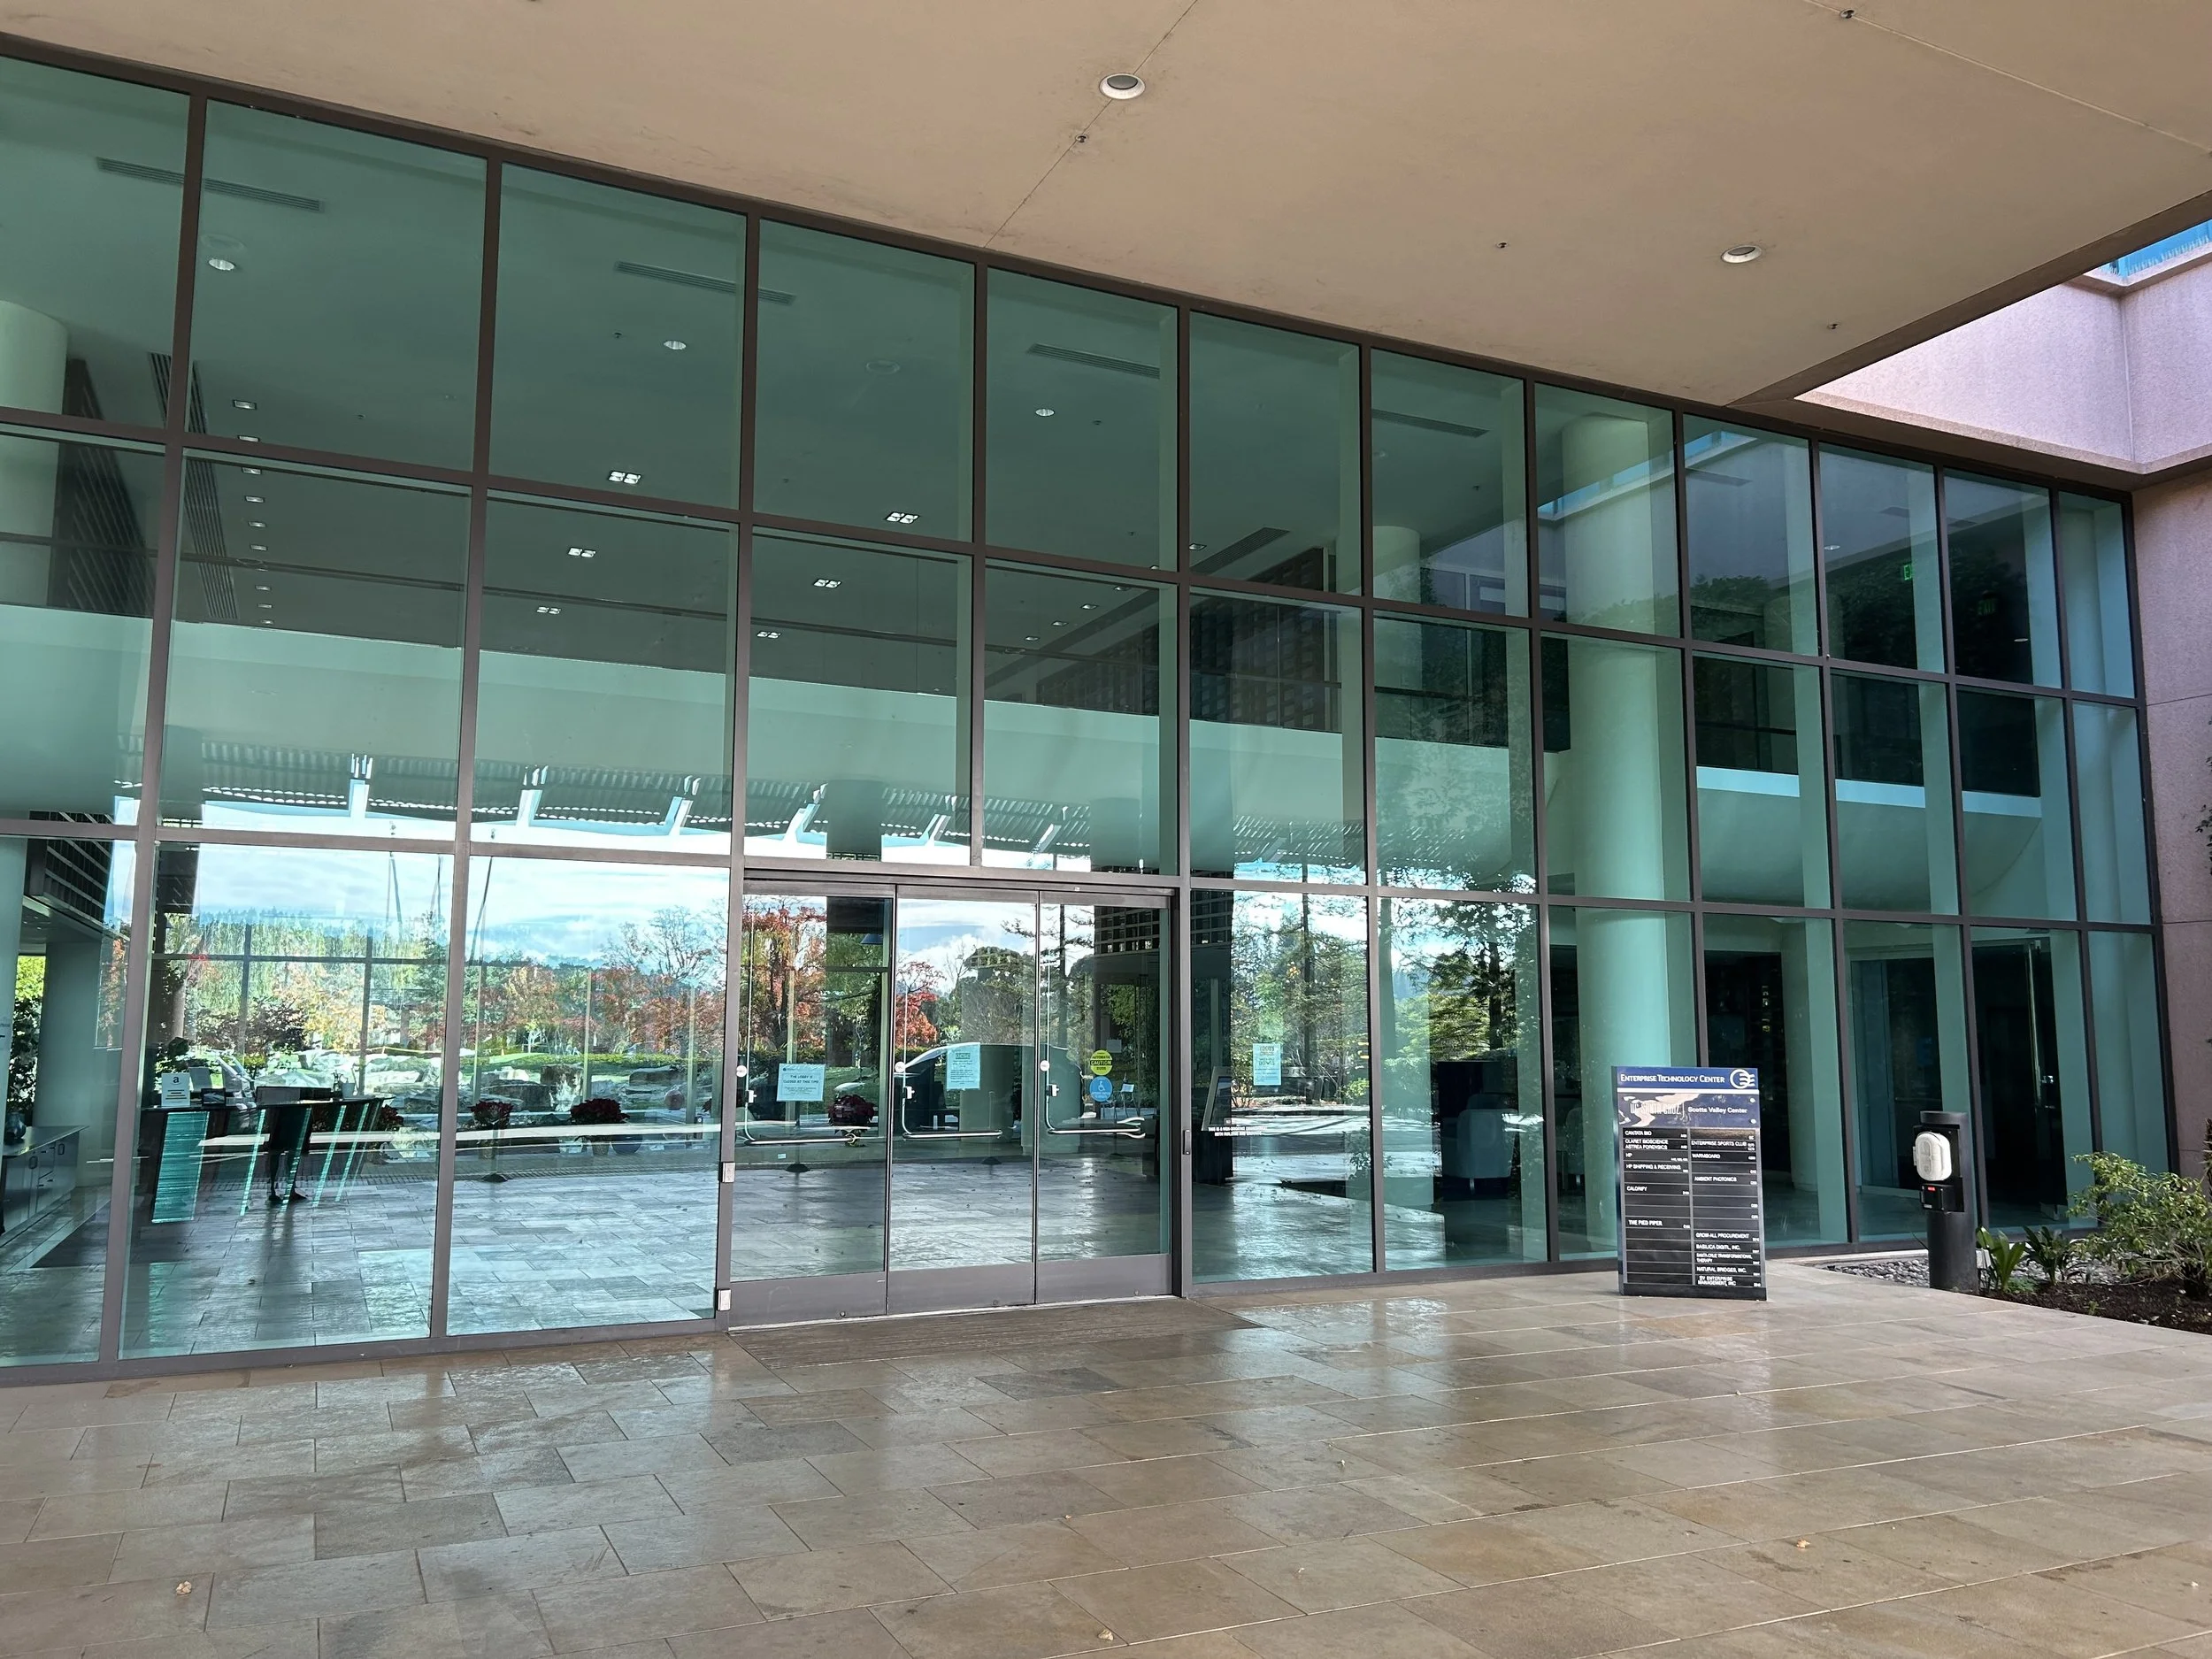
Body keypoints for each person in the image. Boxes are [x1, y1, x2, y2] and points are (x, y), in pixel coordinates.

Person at [261, 1097, 312, 1206]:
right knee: (291, 1149)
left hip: (281, 1106)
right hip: (295, 1106)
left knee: (277, 1150)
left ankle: (273, 1189)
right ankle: (288, 1189)